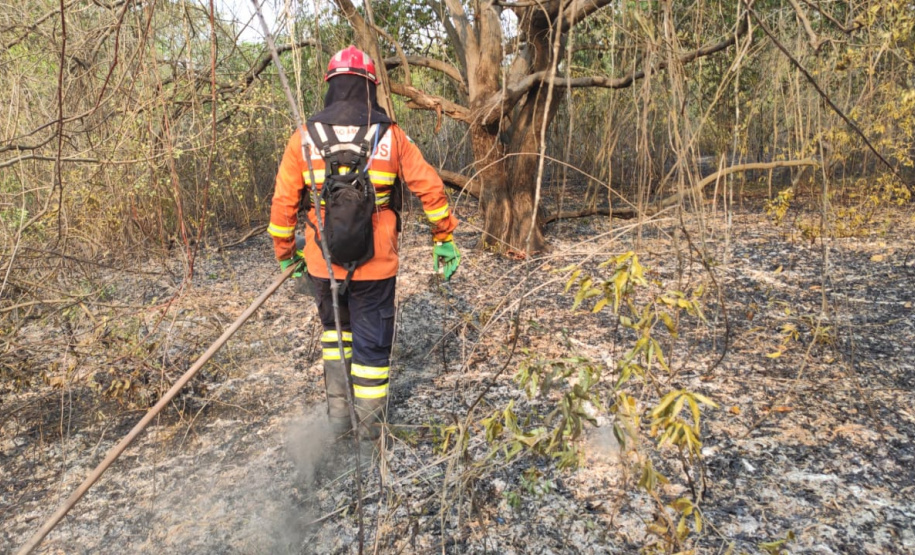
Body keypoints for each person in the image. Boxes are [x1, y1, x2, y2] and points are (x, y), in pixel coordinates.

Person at [268, 46, 460, 447]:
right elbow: (430, 188)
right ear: (371, 87)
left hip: (323, 264)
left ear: (331, 86)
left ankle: (339, 421)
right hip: (377, 265)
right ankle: (371, 432)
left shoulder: (304, 137)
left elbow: (283, 205)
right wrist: (443, 237)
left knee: (336, 335)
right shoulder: (390, 135)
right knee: (372, 344)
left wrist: (289, 255)